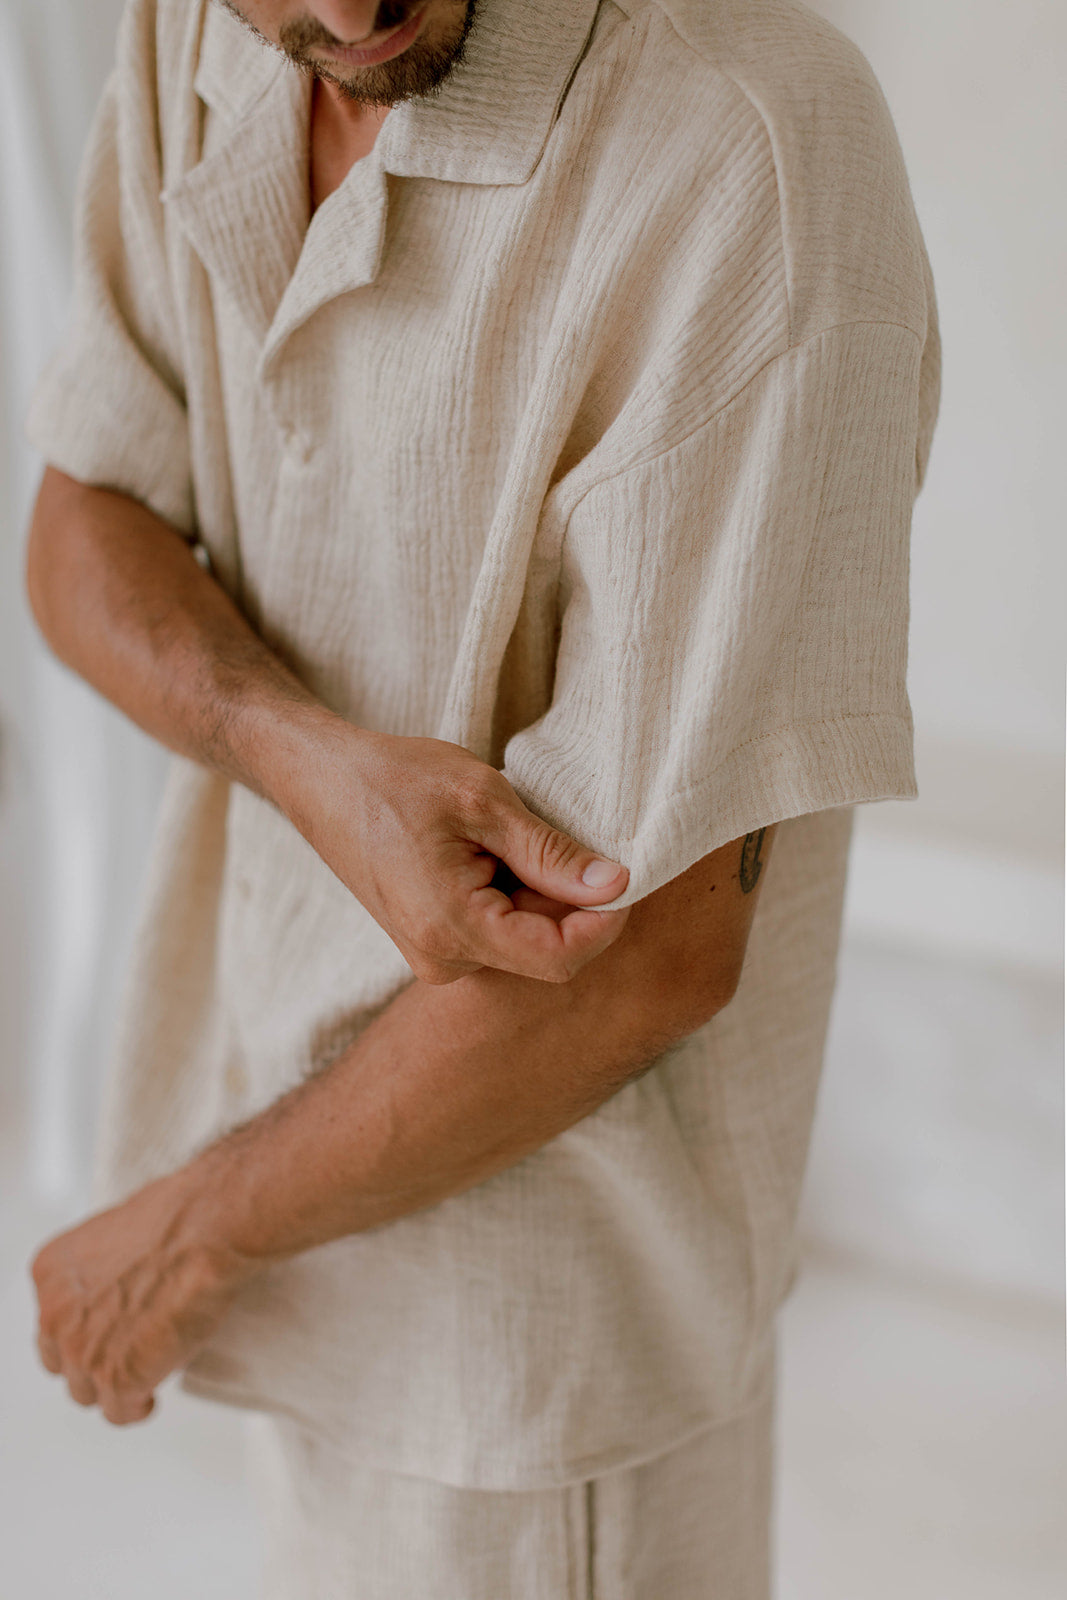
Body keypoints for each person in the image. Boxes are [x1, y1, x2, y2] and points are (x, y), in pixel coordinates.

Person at [24, 0, 939, 1594]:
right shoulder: (193, 30)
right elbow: (80, 513)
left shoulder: (749, 146)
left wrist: (191, 1233)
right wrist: (309, 762)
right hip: (300, 1257)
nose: (354, 11)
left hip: (535, 1381)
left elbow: (644, 953)